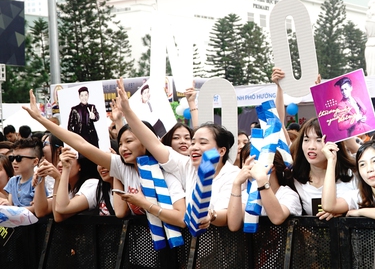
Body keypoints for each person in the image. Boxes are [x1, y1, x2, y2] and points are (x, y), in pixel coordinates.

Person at [24, 89, 187, 226]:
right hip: (140, 253)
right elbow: (82, 144)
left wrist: (145, 204)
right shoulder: (123, 168)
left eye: (129, 141)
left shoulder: (166, 170)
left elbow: (181, 219)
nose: (123, 148)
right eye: (121, 143)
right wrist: (40, 119)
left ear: (146, 143)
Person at [115, 78, 237, 227]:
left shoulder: (232, 175)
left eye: (202, 143)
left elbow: (227, 217)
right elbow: (153, 143)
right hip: (191, 247)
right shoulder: (187, 166)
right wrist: (127, 112)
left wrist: (211, 215)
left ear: (221, 150)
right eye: (193, 142)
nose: (194, 147)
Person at [292, 118, 357, 217]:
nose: (311, 147)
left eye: (319, 140)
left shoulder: (353, 174)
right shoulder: (294, 179)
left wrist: (344, 212)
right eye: (306, 140)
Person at [227, 150, 301, 230]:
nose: (250, 170)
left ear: (272, 167)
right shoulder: (247, 194)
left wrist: (262, 180)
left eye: (254, 165)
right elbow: (233, 226)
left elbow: (277, 218)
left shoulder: (288, 194)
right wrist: (236, 184)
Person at [2, 138, 43, 212]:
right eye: (12, 158)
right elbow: (11, 204)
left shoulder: (38, 181)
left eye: (18, 158)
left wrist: (13, 209)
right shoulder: (13, 180)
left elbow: (37, 208)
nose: (14, 162)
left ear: (35, 162)